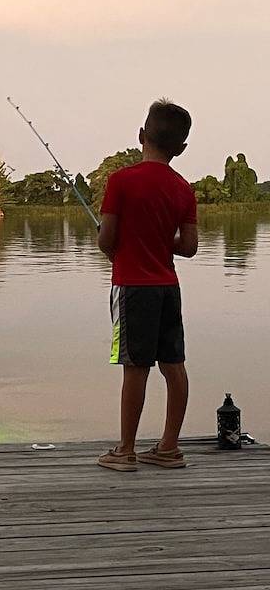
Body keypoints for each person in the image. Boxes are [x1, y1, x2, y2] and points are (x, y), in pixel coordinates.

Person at [97, 99, 198, 472]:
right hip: (168, 288)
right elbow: (188, 247)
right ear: (182, 149)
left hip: (132, 288)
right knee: (174, 365)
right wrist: (160, 241)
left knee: (135, 367)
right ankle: (169, 448)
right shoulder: (184, 190)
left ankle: (125, 451)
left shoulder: (120, 181)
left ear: (141, 135)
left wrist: (120, 249)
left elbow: (106, 238)